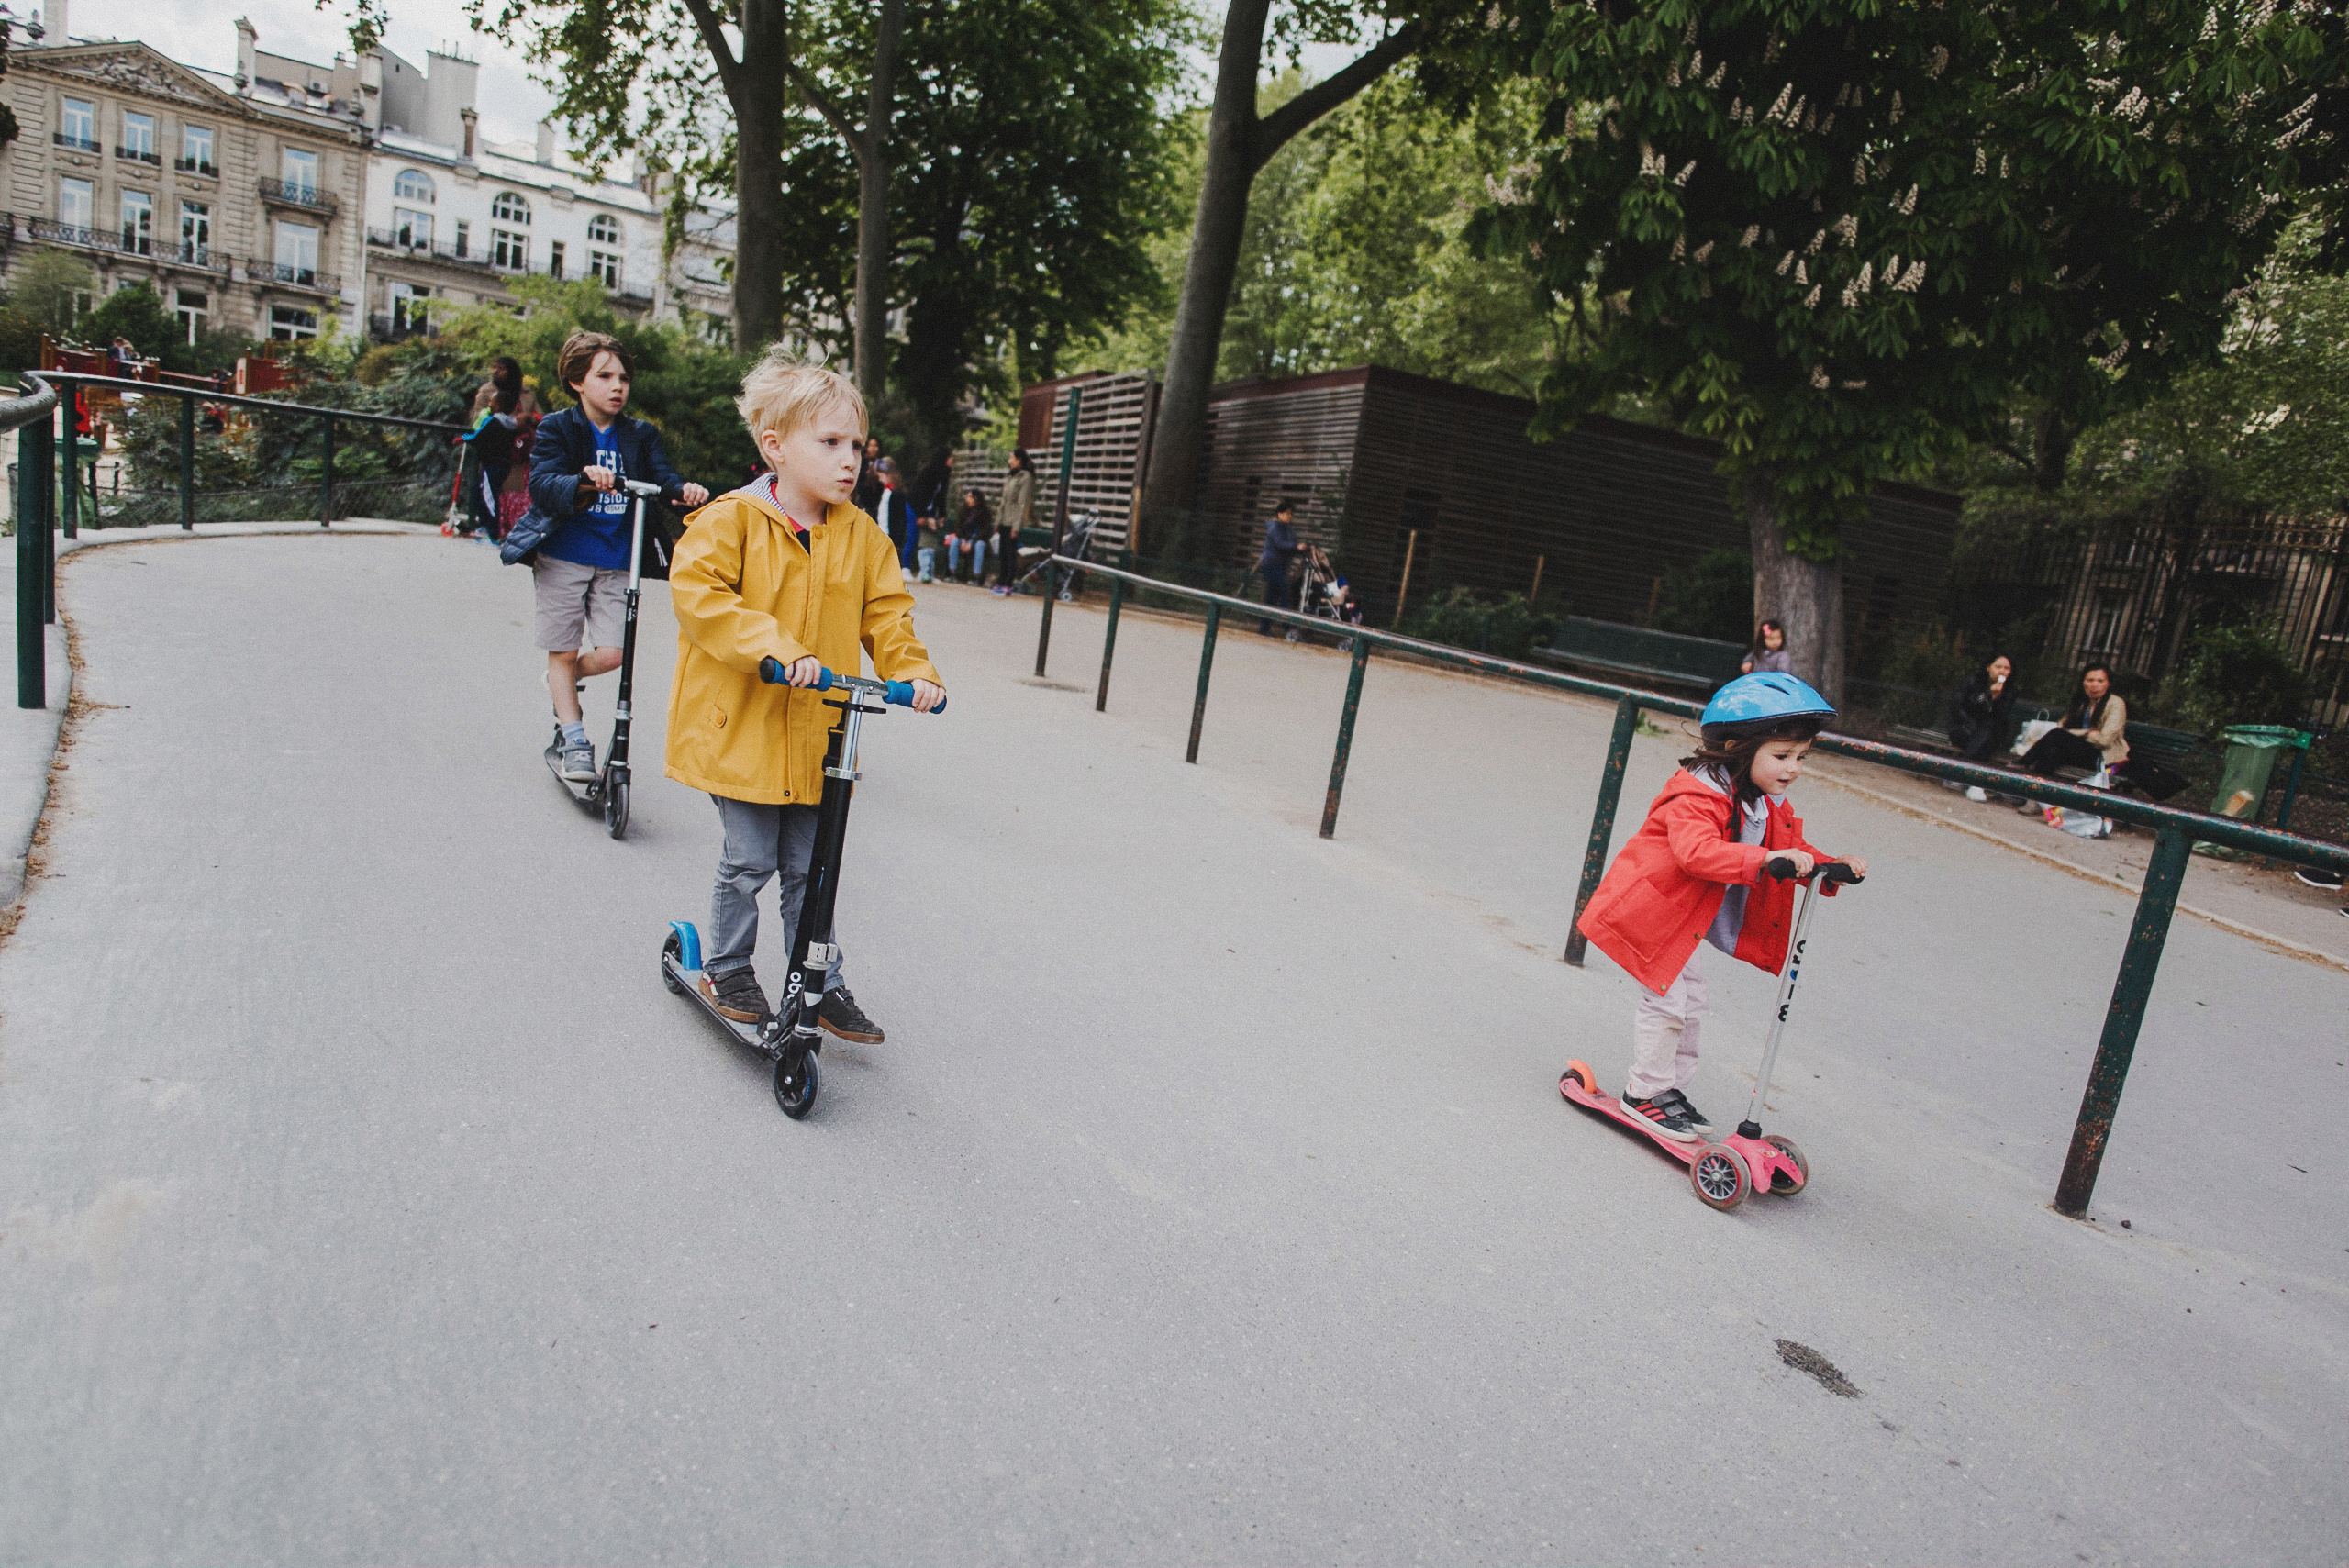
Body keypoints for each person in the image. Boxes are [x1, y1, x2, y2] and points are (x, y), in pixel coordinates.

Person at [664, 348, 944, 1038]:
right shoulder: (730, 520)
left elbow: (888, 613)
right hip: (744, 727)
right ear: (775, 446)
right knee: (752, 855)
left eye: (857, 444)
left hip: (820, 733)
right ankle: (728, 965)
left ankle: (820, 977)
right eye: (830, 443)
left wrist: (916, 673)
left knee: (810, 864)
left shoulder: (864, 536)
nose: (851, 459)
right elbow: (700, 597)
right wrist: (776, 649)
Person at [1575, 673, 1867, 1140]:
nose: (1793, 768)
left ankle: (1666, 1090)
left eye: (1800, 757)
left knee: (1694, 1003)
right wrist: (1766, 859)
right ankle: (1643, 1093)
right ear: (1737, 747)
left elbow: (1792, 847)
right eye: (1781, 756)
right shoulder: (1696, 795)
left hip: (1678, 921)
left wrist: (1830, 865)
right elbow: (1697, 853)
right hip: (1649, 914)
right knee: (1668, 1003)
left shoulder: (1761, 802)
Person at [506, 330, 710, 782]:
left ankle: (562, 682)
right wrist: (581, 478)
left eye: (624, 378)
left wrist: (683, 491)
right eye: (605, 376)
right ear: (577, 381)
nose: (618, 387)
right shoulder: (558, 428)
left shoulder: (640, 435)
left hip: (619, 557)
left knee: (615, 653)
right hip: (563, 554)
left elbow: (663, 478)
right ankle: (574, 736)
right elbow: (540, 484)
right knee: (562, 649)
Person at [2017, 663, 2127, 808]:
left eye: (2100, 681)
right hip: (2078, 753)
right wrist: (2084, 733)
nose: (2095, 685)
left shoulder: (2116, 704)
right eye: (2090, 680)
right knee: (2053, 752)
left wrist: (2076, 733)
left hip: (2103, 757)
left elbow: (2104, 740)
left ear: (2108, 684)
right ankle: (2035, 797)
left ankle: (2020, 766)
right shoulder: (2081, 702)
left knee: (2058, 736)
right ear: (2083, 683)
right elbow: (2062, 726)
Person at [1944, 651, 2018, 802]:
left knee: (1990, 730)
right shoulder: (1974, 681)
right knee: (1986, 735)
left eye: (2006, 668)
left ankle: (1962, 774)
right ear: (1988, 667)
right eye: (1998, 666)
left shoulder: (2010, 690)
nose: (2002, 671)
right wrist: (1987, 695)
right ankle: (1975, 783)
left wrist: (1996, 698)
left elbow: (2000, 715)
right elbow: (1959, 705)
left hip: (1988, 734)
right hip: (1965, 729)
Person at [1256, 500, 1305, 635]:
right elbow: (1280, 544)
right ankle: (1287, 625)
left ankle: (1264, 628)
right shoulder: (1275, 528)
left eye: (1291, 514)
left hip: (1280, 567)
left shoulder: (1289, 530)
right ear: (1280, 514)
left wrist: (1302, 549)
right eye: (1287, 513)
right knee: (1284, 590)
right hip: (1271, 565)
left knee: (1271, 598)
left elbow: (1292, 544)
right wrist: (1296, 547)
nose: (1290, 516)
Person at [993, 447, 1035, 594]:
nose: (1009, 461)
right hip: (1004, 520)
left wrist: (1016, 527)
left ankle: (1008, 583)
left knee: (1011, 553)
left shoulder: (1025, 478)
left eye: (1012, 458)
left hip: (1013, 522)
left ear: (1019, 460)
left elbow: (1022, 504)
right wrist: (998, 521)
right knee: (1003, 553)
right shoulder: (1011, 477)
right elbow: (1003, 502)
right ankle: (1001, 580)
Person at [951, 487, 992, 583]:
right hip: (963, 538)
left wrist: (972, 541)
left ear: (976, 498)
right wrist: (963, 540)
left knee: (979, 546)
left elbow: (985, 530)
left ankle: (976, 576)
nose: (967, 498)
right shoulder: (963, 509)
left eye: (969, 497)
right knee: (954, 542)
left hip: (978, 539)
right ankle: (952, 572)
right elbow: (957, 526)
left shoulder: (985, 511)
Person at [851, 435, 885, 513]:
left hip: (878, 501)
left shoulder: (882, 464)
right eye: (871, 445)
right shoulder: (862, 463)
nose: (873, 448)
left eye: (875, 446)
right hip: (863, 501)